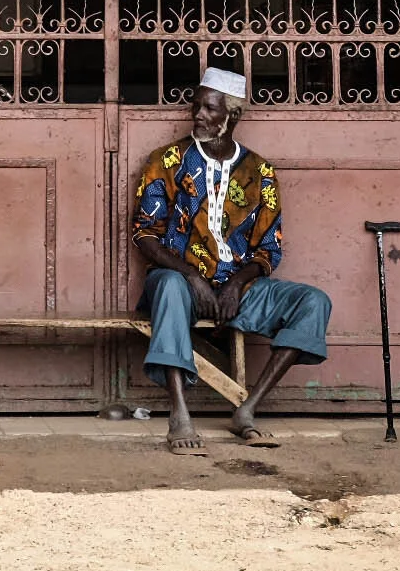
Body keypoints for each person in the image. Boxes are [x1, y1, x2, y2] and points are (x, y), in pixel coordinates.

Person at [132, 67, 332, 454]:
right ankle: (179, 414)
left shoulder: (260, 172)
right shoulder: (167, 161)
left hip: (237, 288)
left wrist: (238, 284)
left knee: (313, 302)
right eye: (196, 106)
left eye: (209, 108)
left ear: (233, 115)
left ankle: (247, 410)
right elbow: (145, 233)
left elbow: (269, 248)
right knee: (170, 286)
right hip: (180, 284)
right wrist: (192, 277)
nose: (198, 115)